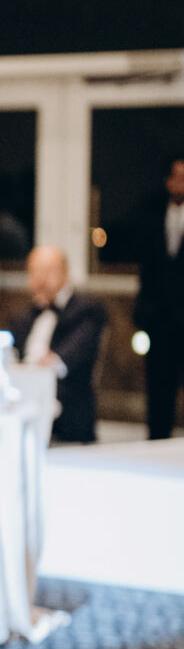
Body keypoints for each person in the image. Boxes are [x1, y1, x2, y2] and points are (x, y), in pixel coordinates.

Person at [9, 247, 107, 446]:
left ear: (65, 272)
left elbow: (71, 355)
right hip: (20, 402)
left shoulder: (87, 310)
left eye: (47, 270)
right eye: (35, 271)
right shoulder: (21, 316)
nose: (41, 278)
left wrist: (46, 365)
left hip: (67, 409)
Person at [134, 153, 184, 440]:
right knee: (158, 390)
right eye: (176, 177)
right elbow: (147, 268)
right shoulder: (153, 215)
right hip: (160, 319)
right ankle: (156, 443)